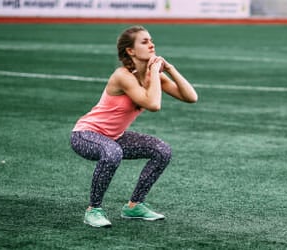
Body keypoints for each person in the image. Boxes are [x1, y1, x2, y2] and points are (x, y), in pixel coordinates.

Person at [70, 25, 198, 228]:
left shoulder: (151, 75)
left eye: (151, 40)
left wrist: (170, 69)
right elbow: (154, 104)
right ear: (130, 50)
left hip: (115, 136)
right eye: (145, 41)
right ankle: (93, 210)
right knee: (112, 153)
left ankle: (134, 206)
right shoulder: (122, 76)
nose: (152, 44)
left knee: (162, 151)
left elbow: (191, 97)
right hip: (85, 135)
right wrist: (155, 72)